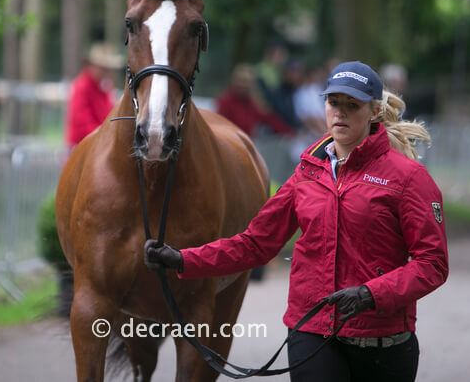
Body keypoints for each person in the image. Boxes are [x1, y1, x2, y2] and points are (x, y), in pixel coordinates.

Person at [145, 61, 448, 382]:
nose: (340, 112)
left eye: (352, 105)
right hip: (312, 333)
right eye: (334, 102)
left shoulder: (409, 178)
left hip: (383, 343)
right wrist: (183, 260)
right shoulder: (307, 171)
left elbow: (432, 264)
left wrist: (370, 294)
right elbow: (256, 244)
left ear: (374, 112)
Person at [64, 42, 124, 149]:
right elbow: (83, 123)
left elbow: (109, 115)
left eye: (108, 69)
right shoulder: (81, 87)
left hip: (98, 144)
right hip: (81, 147)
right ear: (92, 66)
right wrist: (106, 135)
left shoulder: (105, 88)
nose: (107, 72)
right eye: (103, 68)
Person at [216, 64, 295, 138]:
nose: (243, 84)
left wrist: (289, 132)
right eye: (240, 80)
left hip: (248, 143)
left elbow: (270, 119)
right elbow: (220, 128)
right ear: (233, 80)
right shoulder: (225, 101)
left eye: (247, 81)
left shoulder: (253, 102)